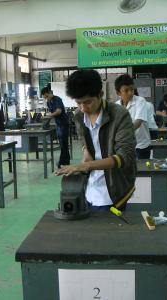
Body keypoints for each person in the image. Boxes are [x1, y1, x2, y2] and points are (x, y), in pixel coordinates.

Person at [55, 69, 136, 211]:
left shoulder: (119, 115)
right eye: (78, 103)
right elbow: (84, 139)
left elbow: (125, 157)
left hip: (113, 188)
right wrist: (86, 151)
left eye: (87, 102)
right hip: (90, 187)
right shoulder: (79, 115)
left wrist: (86, 166)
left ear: (100, 94)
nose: (83, 108)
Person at [115, 74, 151, 159]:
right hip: (124, 146)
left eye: (132, 89)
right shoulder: (116, 105)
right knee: (126, 170)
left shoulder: (140, 101)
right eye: (126, 90)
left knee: (142, 170)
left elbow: (138, 122)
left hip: (140, 145)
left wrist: (121, 132)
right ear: (118, 92)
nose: (130, 93)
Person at [41, 86, 70, 169]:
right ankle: (66, 161)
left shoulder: (57, 99)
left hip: (63, 123)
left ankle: (62, 162)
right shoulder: (48, 102)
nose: (46, 99)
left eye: (47, 96)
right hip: (58, 124)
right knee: (62, 143)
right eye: (44, 97)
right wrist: (46, 122)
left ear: (50, 93)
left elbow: (58, 111)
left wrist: (48, 116)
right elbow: (51, 114)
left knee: (64, 143)